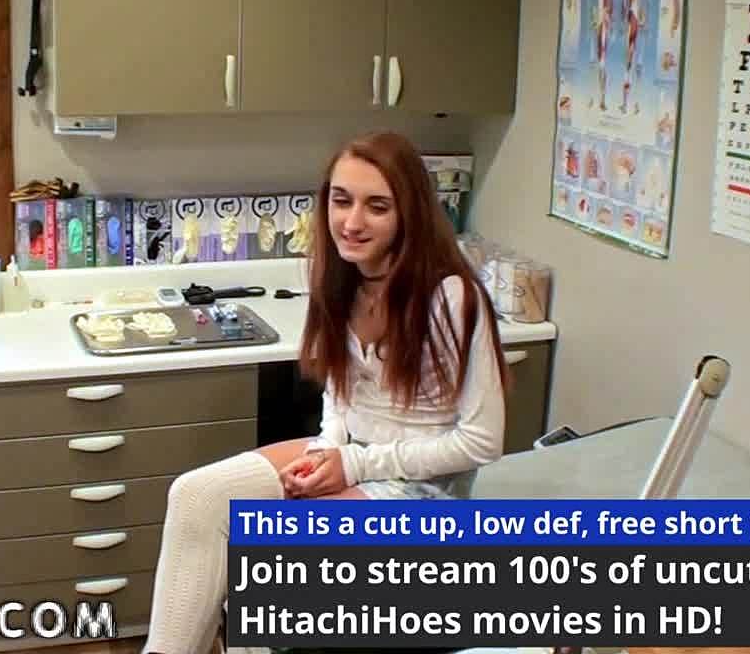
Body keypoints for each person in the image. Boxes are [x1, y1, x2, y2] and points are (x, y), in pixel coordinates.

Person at [141, 131, 510, 654]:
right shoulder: (339, 275)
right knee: (196, 496)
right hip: (354, 455)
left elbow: (482, 441)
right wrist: (327, 447)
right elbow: (340, 394)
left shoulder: (451, 296)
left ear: (409, 213)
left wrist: (353, 465)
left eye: (376, 206)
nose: (352, 222)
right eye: (342, 200)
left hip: (425, 489)